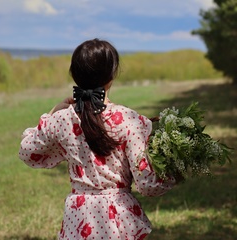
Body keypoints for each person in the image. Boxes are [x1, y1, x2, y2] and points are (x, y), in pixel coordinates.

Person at [19, 38, 176, 240]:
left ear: (75, 76)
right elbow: (148, 184)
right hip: (119, 218)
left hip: (79, 216)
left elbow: (27, 151)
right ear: (112, 75)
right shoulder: (130, 121)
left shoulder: (62, 119)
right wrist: (174, 172)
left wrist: (52, 113)